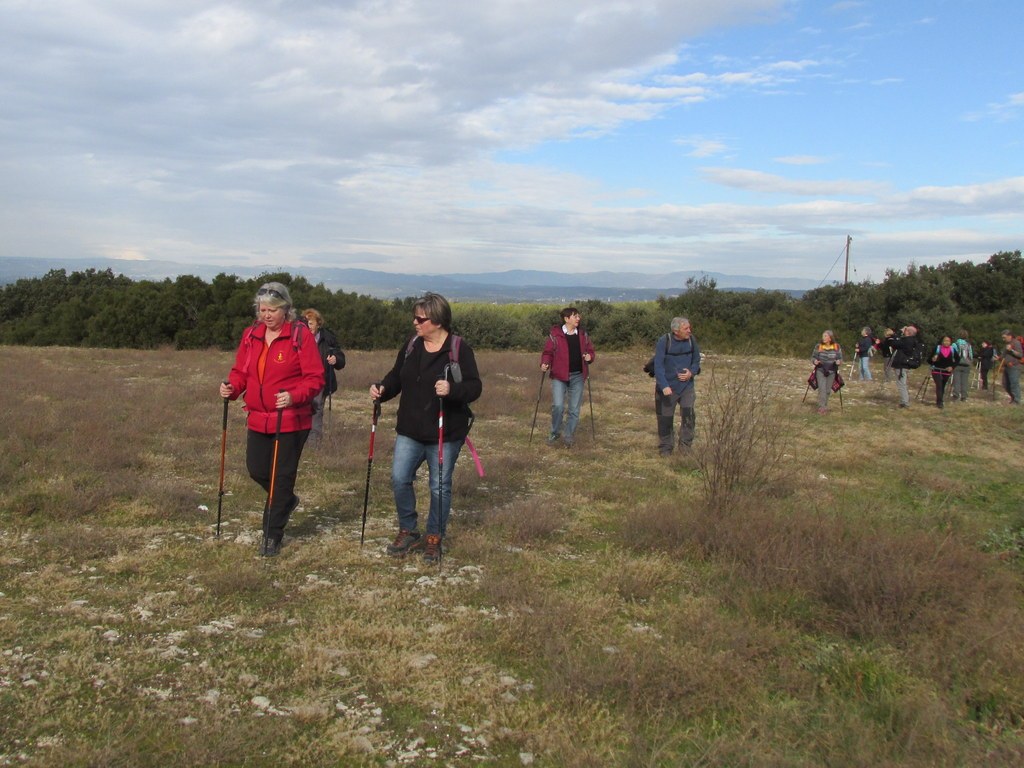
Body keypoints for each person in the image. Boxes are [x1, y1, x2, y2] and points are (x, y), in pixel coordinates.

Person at [370, 293, 482, 563]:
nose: (415, 323)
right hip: (410, 429)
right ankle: (408, 529)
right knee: (399, 479)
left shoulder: (458, 349)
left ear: (438, 320)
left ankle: (435, 536)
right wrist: (382, 390)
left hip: (446, 432)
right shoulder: (411, 345)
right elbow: (397, 376)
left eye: (421, 318)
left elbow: (475, 387)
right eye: (415, 317)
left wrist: (452, 389)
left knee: (439, 487)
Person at [220, 282, 325, 556]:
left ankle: (272, 534)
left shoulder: (299, 336)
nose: (266, 315)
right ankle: (286, 500)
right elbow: (241, 372)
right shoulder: (251, 335)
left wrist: (293, 395)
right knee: (256, 469)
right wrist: (231, 388)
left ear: (286, 310)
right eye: (262, 310)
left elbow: (315, 378)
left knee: (281, 476)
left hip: (291, 419)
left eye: (272, 310)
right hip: (258, 417)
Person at [540, 307, 595, 448]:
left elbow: (590, 351)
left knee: (574, 409)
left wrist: (590, 357)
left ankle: (568, 435)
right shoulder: (555, 335)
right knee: (558, 406)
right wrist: (545, 363)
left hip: (578, 376)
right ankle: (555, 432)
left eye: (578, 316)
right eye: (575, 316)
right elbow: (547, 352)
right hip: (559, 376)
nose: (578, 318)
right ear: (566, 319)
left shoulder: (583, 335)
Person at [653, 317, 701, 455]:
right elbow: (658, 365)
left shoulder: (692, 341)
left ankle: (685, 448)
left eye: (689, 328)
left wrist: (691, 372)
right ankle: (666, 449)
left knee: (689, 415)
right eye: (686, 329)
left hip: (687, 386)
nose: (689, 331)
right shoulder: (664, 341)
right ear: (676, 330)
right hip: (668, 387)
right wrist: (664, 386)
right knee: (665, 419)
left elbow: (696, 360)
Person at [301, 308, 346, 445]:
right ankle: (301, 441)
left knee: (317, 409)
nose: (308, 326)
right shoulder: (299, 338)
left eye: (311, 323)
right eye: (306, 323)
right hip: (302, 381)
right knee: (302, 410)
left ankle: (313, 444)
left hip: (321, 380)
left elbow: (340, 358)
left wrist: (336, 359)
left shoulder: (328, 339)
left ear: (318, 324)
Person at [810, 330, 843, 415]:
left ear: (830, 338)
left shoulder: (836, 346)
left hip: (832, 371)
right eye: (823, 336)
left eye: (825, 336)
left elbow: (840, 358)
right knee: (822, 389)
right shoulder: (818, 346)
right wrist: (815, 361)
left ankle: (824, 405)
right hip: (820, 370)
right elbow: (813, 357)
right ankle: (822, 407)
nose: (823, 338)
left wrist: (839, 362)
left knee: (828, 390)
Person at [889, 324, 921, 408]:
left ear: (908, 332)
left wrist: (899, 332)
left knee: (901, 384)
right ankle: (904, 400)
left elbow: (894, 343)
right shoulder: (913, 341)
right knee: (903, 383)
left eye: (906, 330)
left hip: (901, 364)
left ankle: (905, 402)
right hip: (906, 364)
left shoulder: (906, 340)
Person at [929, 335, 960, 409]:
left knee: (942, 385)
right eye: (945, 340)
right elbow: (929, 359)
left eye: (948, 341)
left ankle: (940, 400)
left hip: (946, 371)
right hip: (936, 370)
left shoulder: (952, 350)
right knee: (939, 385)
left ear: (950, 342)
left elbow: (957, 359)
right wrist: (933, 359)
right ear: (942, 341)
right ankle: (939, 402)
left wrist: (952, 367)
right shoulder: (937, 348)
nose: (946, 342)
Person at [1000, 329, 1022, 405]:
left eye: (1004, 337)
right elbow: (1003, 355)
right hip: (1006, 366)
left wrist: (1011, 350)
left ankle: (1017, 400)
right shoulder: (1006, 344)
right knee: (1005, 383)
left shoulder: (1016, 343)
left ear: (1010, 336)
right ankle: (1013, 398)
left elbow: (1020, 355)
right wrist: (998, 358)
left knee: (1014, 383)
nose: (1003, 339)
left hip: (1014, 366)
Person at [950, 329, 973, 402]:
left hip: (958, 364)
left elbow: (952, 354)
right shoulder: (968, 345)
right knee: (964, 381)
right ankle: (964, 396)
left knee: (956, 380)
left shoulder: (955, 344)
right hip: (966, 365)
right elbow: (971, 356)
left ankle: (956, 394)